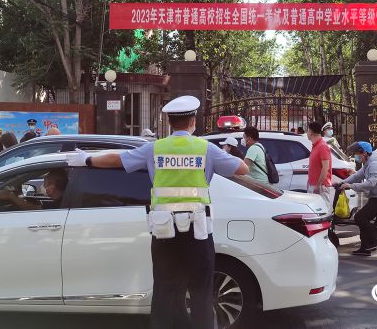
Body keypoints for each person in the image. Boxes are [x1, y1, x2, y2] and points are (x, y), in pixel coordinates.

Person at [66, 95, 248, 329]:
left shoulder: (155, 148)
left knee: (164, 289)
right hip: (198, 232)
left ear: (170, 122)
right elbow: (242, 169)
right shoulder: (206, 149)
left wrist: (87, 159)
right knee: (201, 291)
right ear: (193, 121)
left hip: (164, 232)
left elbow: (117, 160)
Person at [337, 141, 377, 256]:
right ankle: (365, 248)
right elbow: (357, 176)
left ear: (365, 153)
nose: (356, 156)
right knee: (362, 218)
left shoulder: (374, 165)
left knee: (360, 217)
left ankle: (375, 240)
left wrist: (350, 186)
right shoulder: (368, 164)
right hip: (376, 199)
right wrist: (341, 182)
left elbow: (370, 184)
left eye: (358, 153)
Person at [0, 169, 68, 210]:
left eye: (45, 181)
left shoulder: (59, 204)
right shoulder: (63, 199)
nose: (43, 184)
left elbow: (34, 208)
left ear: (51, 187)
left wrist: (11, 196)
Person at [306, 122, 333, 209]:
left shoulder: (322, 146)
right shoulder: (315, 145)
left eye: (307, 130)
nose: (307, 133)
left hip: (320, 186)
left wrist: (318, 185)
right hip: (313, 185)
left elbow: (325, 168)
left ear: (311, 132)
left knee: (323, 209)